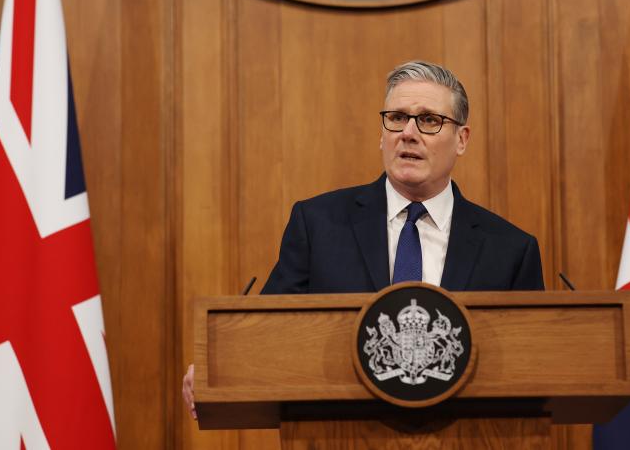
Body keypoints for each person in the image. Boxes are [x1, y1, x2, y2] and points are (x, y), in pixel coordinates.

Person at [182, 60, 544, 418]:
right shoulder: (318, 225)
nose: (408, 133)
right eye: (397, 118)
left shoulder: (510, 250)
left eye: (429, 120)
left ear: (462, 139)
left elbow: (533, 366)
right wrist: (221, 365)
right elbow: (270, 334)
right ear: (382, 134)